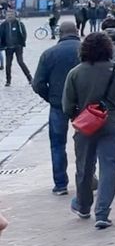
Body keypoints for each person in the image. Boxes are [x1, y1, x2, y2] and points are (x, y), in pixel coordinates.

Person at [62, 32, 115, 230]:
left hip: (85, 123)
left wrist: (77, 115)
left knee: (84, 167)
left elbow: (67, 105)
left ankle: (84, 205)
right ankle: (102, 212)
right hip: (110, 122)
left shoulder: (75, 73)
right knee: (108, 167)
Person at [32, 20, 82, 195]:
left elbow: (37, 83)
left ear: (60, 33)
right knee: (85, 143)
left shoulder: (49, 54)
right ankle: (85, 178)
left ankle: (60, 184)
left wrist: (51, 98)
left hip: (58, 105)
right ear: (76, 31)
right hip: (82, 104)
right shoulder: (85, 50)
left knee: (57, 145)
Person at [0, 10, 32, 87]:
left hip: (18, 46)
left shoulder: (19, 24)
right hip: (8, 47)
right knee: (8, 65)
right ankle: (8, 81)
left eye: (11, 14)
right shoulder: (3, 25)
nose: (9, 16)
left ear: (14, 15)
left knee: (20, 62)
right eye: (8, 15)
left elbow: (24, 34)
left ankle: (30, 78)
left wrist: (21, 43)